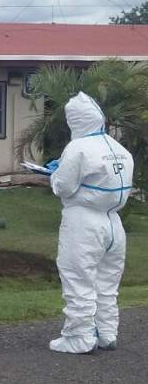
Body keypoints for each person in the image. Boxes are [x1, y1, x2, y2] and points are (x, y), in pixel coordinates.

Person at [48, 92, 134, 354]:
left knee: (78, 277)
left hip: (84, 221)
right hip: (114, 223)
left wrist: (54, 173)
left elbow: (63, 187)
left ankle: (79, 336)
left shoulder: (77, 148)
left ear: (74, 121)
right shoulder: (119, 149)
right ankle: (107, 333)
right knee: (107, 283)